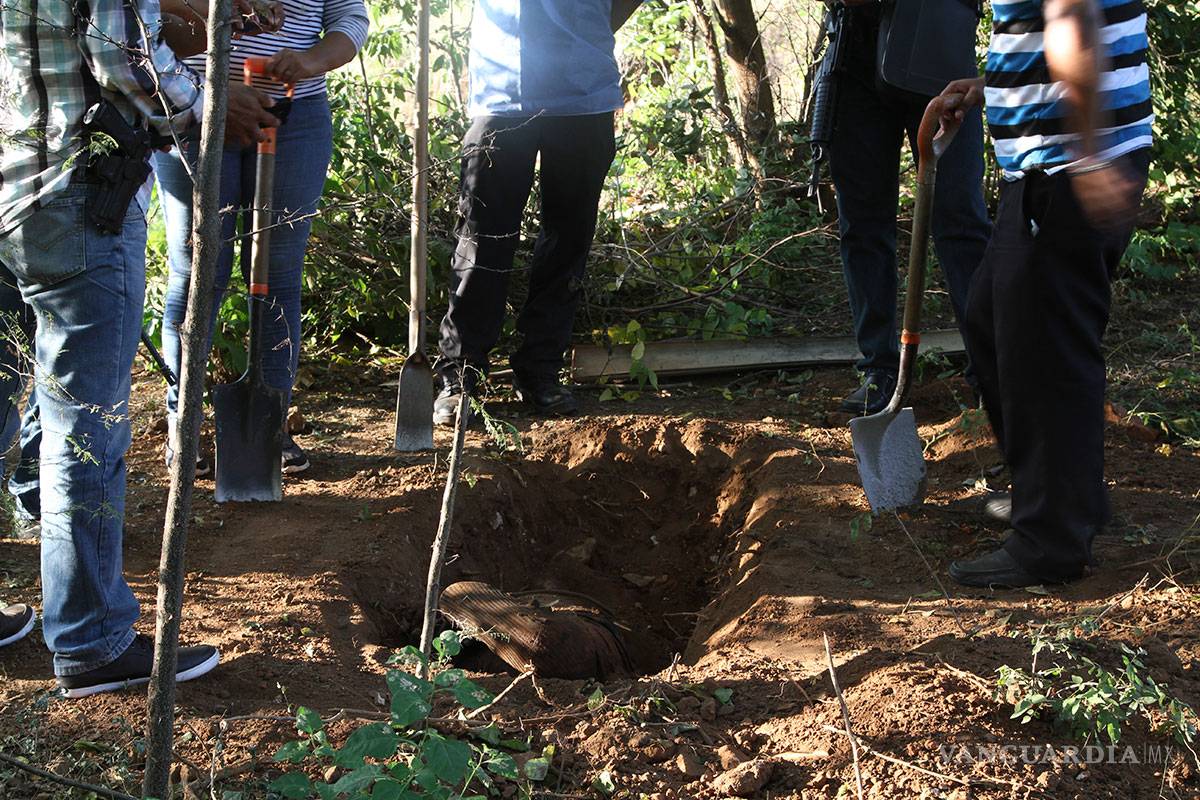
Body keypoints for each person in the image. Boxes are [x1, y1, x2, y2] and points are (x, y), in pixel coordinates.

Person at [0, 0, 279, 695]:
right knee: (84, 429)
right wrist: (214, 105)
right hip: (75, 197)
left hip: (8, 186)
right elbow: (125, 59)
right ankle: (92, 642)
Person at [940, 0, 1152, 587]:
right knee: (990, 320)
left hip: (1065, 168)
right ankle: (1059, 497)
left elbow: (1071, 21)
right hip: (1055, 165)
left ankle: (1050, 540)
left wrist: (1084, 152)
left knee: (1044, 355)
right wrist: (995, 84)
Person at [155, 0, 369, 475]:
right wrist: (210, 85)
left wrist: (308, 60)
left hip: (297, 112)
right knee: (198, 271)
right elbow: (144, 14)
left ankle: (269, 420)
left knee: (279, 271)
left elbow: (350, 20)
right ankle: (183, 422)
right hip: (193, 104)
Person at [433, 0, 645, 425]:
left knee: (568, 241)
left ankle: (540, 371)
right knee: (482, 239)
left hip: (585, 94)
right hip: (502, 93)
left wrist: (586, 25)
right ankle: (462, 374)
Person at [826, 0, 992, 415]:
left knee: (960, 220)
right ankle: (879, 371)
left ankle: (992, 375)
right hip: (852, 49)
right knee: (862, 223)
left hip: (937, 45)